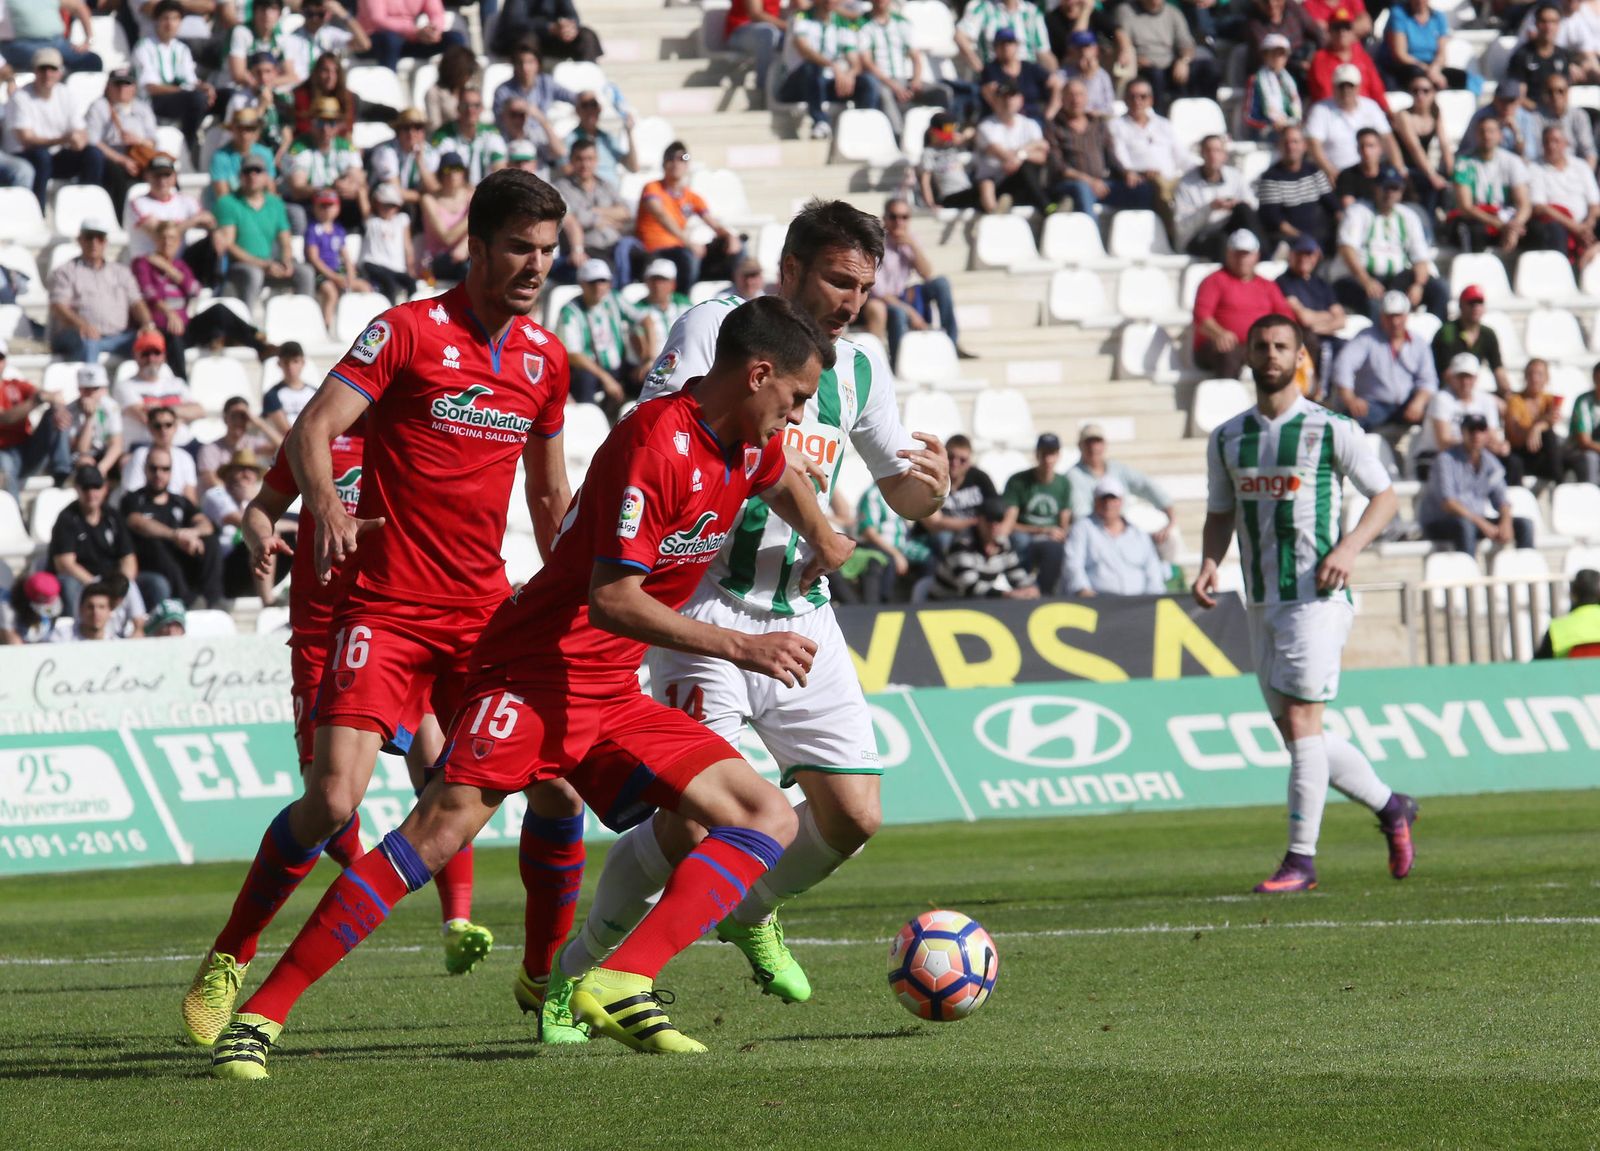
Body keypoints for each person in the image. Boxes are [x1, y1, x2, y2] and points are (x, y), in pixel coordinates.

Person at [207, 296, 843, 1074]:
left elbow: (782, 478)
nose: (799, 415)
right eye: (797, 398)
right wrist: (741, 644)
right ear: (758, 374)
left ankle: (619, 977)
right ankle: (261, 1017)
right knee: (435, 833)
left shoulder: (749, 444)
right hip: (540, 669)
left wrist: (826, 533)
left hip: (610, 685)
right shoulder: (655, 442)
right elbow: (612, 599)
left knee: (763, 816)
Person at [190, 171, 576, 1065]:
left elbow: (550, 492)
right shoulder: (406, 331)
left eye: (548, 250)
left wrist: (572, 590)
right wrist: (322, 506)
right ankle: (230, 958)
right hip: (389, 611)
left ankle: (546, 976)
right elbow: (316, 427)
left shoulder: (544, 359)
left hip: (485, 612)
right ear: (474, 246)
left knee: (557, 786)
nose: (535, 265)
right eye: (520, 246)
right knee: (333, 800)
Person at [552, 199, 949, 1025]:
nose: (849, 300)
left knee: (855, 813)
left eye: (863, 286)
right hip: (708, 609)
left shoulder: (863, 367)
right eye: (837, 279)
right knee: (691, 822)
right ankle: (578, 971)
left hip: (801, 615)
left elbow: (899, 489)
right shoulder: (717, 327)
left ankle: (748, 904)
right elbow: (661, 436)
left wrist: (930, 492)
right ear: (792, 269)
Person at [1195, 312, 1413, 894]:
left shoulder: (1332, 428)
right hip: (1261, 600)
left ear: (1299, 358)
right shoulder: (1227, 438)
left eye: (1281, 346)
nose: (1270, 354)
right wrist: (1210, 563)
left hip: (1317, 597)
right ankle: (1391, 806)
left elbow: (1386, 498)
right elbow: (1220, 513)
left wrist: (1350, 546)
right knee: (1300, 738)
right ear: (1247, 355)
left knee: (1301, 723)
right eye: (1261, 345)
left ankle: (1301, 860)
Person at [866, 197, 971, 364]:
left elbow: (927, 274)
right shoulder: (877, 244)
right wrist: (911, 312)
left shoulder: (910, 240)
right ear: (885, 218)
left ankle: (951, 343)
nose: (899, 222)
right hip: (882, 301)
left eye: (904, 217)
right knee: (899, 313)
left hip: (902, 295)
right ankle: (899, 363)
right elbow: (879, 292)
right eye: (894, 217)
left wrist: (913, 247)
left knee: (941, 283)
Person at [1335, 170, 1449, 321]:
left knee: (1439, 290)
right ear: (1375, 188)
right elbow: (1347, 249)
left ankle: (1436, 336)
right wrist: (1366, 281)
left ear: (1401, 192)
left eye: (1394, 188)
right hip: (1360, 278)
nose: (1389, 193)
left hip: (1396, 279)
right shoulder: (1358, 212)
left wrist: (1418, 285)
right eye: (1385, 188)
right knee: (1377, 304)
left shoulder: (1408, 217)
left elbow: (1421, 258)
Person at [1417, 414, 1536, 552]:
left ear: (1487, 433)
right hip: (1440, 522)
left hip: (1474, 520)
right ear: (1463, 432)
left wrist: (1506, 522)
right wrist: (1482, 523)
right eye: (1472, 430)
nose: (1476, 435)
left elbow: (1501, 499)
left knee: (1524, 524)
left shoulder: (1491, 462)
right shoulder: (1445, 460)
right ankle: (1468, 571)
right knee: (1465, 526)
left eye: (1481, 430)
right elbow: (1448, 503)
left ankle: (1524, 570)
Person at [123, 446, 224, 608]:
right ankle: (188, 601)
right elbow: (137, 522)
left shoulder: (180, 501)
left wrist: (191, 533)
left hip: (182, 557)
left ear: (171, 472)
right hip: (149, 564)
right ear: (145, 469)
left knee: (210, 542)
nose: (159, 474)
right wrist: (175, 535)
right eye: (153, 468)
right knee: (155, 544)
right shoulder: (133, 499)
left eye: (165, 469)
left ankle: (213, 599)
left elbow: (206, 524)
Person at [634, 141, 743, 286]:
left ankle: (732, 292)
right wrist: (689, 243)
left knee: (736, 246)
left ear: (688, 165)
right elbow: (661, 215)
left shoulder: (691, 197)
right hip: (655, 249)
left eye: (683, 158)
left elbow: (713, 223)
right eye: (671, 158)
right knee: (688, 255)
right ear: (664, 164)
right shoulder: (652, 188)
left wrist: (729, 236)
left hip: (682, 249)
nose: (676, 163)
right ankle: (683, 300)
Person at [4, 47, 101, 208]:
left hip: (54, 155)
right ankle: (37, 211)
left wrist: (79, 141)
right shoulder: (20, 97)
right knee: (42, 157)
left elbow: (80, 130)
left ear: (60, 72)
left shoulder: (66, 93)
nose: (48, 74)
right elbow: (26, 139)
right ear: (35, 71)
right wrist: (65, 139)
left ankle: (88, 207)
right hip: (23, 154)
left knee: (93, 154)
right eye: (43, 68)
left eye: (52, 69)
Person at [49, 219, 157, 365]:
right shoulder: (65, 271)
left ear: (105, 242)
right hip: (77, 334)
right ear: (80, 240)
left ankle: (149, 385)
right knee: (89, 341)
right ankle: (91, 386)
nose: (94, 243)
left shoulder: (121, 272)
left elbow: (137, 302)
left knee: (152, 342)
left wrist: (148, 324)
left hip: (118, 336)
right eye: (89, 237)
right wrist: (81, 325)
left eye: (99, 238)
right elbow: (58, 306)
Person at [1331, 291, 1438, 434]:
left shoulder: (1419, 343)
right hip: (1374, 404)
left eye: (1398, 316)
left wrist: (1419, 402)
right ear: (1382, 316)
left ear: (1407, 315)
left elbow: (1428, 380)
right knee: (1348, 425)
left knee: (1438, 415)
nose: (1395, 322)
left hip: (1407, 405)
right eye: (1389, 316)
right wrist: (1351, 399)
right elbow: (1343, 365)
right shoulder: (1367, 338)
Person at [216, 158, 315, 307]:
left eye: (258, 171)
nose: (252, 175)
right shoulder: (227, 202)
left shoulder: (275, 203)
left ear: (266, 177)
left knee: (305, 272)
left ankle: (304, 319)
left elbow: (285, 240)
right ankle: (246, 324)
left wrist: (286, 261)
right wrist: (262, 264)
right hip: (240, 266)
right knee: (254, 275)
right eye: (247, 171)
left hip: (270, 263)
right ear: (240, 176)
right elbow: (228, 245)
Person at [1195, 230, 1292, 380]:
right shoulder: (1214, 280)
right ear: (1228, 254)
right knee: (1228, 352)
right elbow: (1201, 316)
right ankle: (1228, 400)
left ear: (1256, 256)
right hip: (1219, 345)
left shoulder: (1267, 285)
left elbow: (1285, 315)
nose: (1242, 259)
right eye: (1237, 253)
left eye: (1246, 254)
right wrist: (1219, 333)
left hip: (1258, 345)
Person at [777, 0, 880, 141]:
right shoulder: (801, 17)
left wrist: (850, 74)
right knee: (812, 68)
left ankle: (863, 130)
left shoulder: (842, 22)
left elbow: (855, 61)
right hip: (797, 84)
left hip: (826, 84)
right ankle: (820, 122)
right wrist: (833, 66)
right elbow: (805, 50)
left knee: (867, 82)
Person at [49, 465, 138, 616]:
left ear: (105, 488)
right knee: (69, 585)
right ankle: (78, 629)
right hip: (82, 580)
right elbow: (65, 564)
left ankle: (138, 625)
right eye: (86, 487)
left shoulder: (113, 516)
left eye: (96, 487)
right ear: (77, 489)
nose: (91, 493)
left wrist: (121, 585)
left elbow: (128, 558)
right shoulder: (67, 519)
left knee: (147, 583)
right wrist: (97, 587)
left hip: (110, 579)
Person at [1065, 424, 1176, 546]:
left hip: (1125, 531)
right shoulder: (1073, 477)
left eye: (1098, 441)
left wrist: (1170, 515)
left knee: (1166, 541)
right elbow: (1081, 514)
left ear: (1105, 444)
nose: (1094, 447)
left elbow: (1145, 485)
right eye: (1089, 442)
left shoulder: (1117, 469)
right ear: (1080, 446)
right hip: (1095, 538)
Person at [557, 258, 644, 412]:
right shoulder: (570, 311)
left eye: (603, 281)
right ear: (582, 283)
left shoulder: (615, 299)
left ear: (609, 283)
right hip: (590, 371)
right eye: (592, 282)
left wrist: (648, 358)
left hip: (617, 367)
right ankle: (589, 424)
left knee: (645, 375)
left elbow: (644, 319)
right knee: (584, 379)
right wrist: (605, 378)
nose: (598, 287)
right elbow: (573, 354)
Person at [1408, 352, 1512, 480]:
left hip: (1471, 455)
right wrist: (1478, 443)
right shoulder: (1441, 399)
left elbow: (1491, 436)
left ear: (1476, 378)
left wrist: (1500, 446)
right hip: (1437, 455)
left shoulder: (1487, 400)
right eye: (1460, 377)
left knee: (1511, 463)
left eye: (1469, 377)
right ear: (1452, 378)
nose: (1465, 382)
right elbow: (1443, 442)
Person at [132, 0, 214, 158]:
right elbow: (151, 87)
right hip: (154, 102)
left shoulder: (181, 49)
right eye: (165, 18)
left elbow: (191, 80)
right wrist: (185, 90)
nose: (170, 24)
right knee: (196, 100)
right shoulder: (144, 47)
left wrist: (205, 87)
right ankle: (188, 146)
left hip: (182, 97)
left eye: (175, 19)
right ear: (156, 21)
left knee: (222, 96)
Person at [555, 138, 640, 286]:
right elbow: (574, 219)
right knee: (607, 269)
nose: (585, 164)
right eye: (579, 159)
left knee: (649, 263)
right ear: (571, 160)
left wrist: (595, 212)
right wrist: (610, 217)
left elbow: (626, 212)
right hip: (588, 249)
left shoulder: (606, 185)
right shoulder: (561, 188)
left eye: (590, 159)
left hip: (614, 246)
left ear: (596, 160)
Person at [1063, 476, 1167, 596]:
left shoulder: (1138, 534)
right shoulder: (1082, 528)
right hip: (1099, 604)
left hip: (1138, 605)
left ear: (1121, 501)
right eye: (1103, 499)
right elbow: (1073, 565)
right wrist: (1083, 589)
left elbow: (1152, 569)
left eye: (1113, 499)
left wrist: (1153, 598)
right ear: (1095, 501)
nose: (1108, 504)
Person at [1448, 115, 1532, 255]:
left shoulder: (1512, 161)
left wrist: (1514, 228)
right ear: (1476, 135)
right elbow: (1466, 207)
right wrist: (1500, 225)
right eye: (1482, 131)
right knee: (1474, 230)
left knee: (1537, 230)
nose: (1487, 136)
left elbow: (1524, 204)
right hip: (1478, 219)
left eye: (1491, 131)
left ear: (1499, 135)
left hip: (1505, 219)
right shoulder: (1464, 163)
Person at [1000, 432, 1073, 593]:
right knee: (1020, 541)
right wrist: (1043, 530)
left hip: (1051, 536)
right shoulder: (1018, 481)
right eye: (1044, 454)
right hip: (1025, 533)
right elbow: (1010, 522)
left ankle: (1046, 592)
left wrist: (1061, 534)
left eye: (1052, 454)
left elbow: (1064, 521)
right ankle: (1021, 587)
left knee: (1058, 548)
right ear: (1037, 454)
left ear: (1058, 455)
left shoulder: (1063, 484)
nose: (1048, 459)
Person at [1107, 78, 1189, 220]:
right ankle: (1172, 235)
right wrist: (1131, 171)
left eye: (1143, 97)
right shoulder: (1116, 126)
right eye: (1132, 96)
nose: (1137, 101)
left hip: (1171, 180)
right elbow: (1119, 156)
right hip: (1143, 179)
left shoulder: (1164, 125)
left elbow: (1182, 157)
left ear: (1150, 100)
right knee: (1160, 187)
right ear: (1125, 99)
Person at [1306, 64, 1403, 182]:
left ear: (1358, 87)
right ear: (1334, 87)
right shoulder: (1321, 110)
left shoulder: (1371, 106)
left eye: (1350, 86)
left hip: (1372, 175)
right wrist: (1330, 171)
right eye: (1341, 86)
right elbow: (1314, 145)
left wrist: (1399, 168)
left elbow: (1387, 139)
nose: (1346, 91)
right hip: (1336, 176)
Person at [930, 495, 1040, 599]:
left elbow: (1016, 575)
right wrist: (1008, 594)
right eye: (989, 519)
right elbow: (969, 587)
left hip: (976, 605)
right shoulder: (962, 544)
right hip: (944, 604)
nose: (994, 525)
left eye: (999, 519)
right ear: (979, 520)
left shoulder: (1003, 544)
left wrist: (1029, 589)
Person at [285, 95, 368, 232]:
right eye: (320, 122)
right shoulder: (299, 147)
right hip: (309, 202)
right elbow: (298, 188)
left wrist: (348, 185)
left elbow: (357, 179)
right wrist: (327, 189)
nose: (326, 129)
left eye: (332, 123)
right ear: (311, 123)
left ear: (338, 125)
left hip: (337, 202)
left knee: (359, 200)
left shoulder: (346, 147)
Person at [85, 68, 161, 214]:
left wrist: (138, 140)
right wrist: (122, 160)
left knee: (164, 169)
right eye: (117, 84)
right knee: (117, 174)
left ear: (134, 87)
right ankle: (121, 218)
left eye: (126, 84)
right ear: (108, 86)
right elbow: (93, 140)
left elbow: (153, 140)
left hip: (140, 155)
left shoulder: (142, 108)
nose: (122, 89)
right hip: (111, 157)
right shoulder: (98, 107)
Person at [1174, 137, 1264, 261]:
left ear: (1225, 155)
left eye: (1217, 151)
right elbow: (1182, 226)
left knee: (1243, 210)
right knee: (1223, 242)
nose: (1213, 155)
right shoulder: (1186, 183)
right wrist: (1210, 208)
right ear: (1201, 154)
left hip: (1228, 228)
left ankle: (1264, 258)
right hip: (1199, 236)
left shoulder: (1235, 176)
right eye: (1208, 150)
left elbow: (1252, 206)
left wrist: (1235, 204)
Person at [1117, 0, 1212, 112]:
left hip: (1170, 64)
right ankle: (1158, 117)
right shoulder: (1126, 11)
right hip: (1143, 67)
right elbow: (1122, 39)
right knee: (1156, 75)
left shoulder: (1173, 13)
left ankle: (1207, 114)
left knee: (1208, 68)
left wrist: (1183, 61)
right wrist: (1134, 58)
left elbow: (1186, 44)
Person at [1275, 234, 1347, 384]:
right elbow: (1304, 318)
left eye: (1309, 254)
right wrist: (1328, 316)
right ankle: (1317, 392)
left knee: (1347, 347)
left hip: (1322, 333)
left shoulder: (1321, 284)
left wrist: (1319, 325)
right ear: (1292, 255)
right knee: (1322, 348)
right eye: (1300, 253)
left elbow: (1341, 319)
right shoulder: (1284, 282)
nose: (1304, 258)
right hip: (1302, 337)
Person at [1258, 124, 1341, 252]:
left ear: (1304, 146)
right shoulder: (1270, 178)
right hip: (1291, 242)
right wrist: (1304, 239)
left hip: (1321, 237)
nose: (1291, 147)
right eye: (1286, 142)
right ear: (1279, 146)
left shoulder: (1315, 172)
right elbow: (1275, 220)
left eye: (1295, 142)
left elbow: (1333, 206)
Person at [973, 81, 1052, 214]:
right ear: (995, 100)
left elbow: (1042, 157)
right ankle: (1048, 208)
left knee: (1027, 168)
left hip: (1024, 183)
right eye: (1003, 96)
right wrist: (1033, 147)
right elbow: (1004, 157)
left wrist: (1021, 154)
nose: (1008, 100)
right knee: (1023, 168)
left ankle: (1048, 206)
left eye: (1012, 96)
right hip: (998, 183)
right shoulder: (986, 127)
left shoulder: (1030, 124)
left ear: (1020, 100)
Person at [1047, 78, 1123, 215]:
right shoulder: (1054, 127)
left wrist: (1128, 174)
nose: (1076, 99)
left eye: (1080, 95)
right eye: (1070, 95)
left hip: (1101, 184)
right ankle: (1091, 235)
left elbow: (1111, 157)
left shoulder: (1098, 124)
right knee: (1082, 189)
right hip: (1069, 185)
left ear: (1086, 98)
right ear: (1062, 99)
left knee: (1141, 190)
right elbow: (1058, 166)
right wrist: (1089, 181)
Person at [115, 330, 204, 444]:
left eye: (156, 353)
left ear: (164, 356)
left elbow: (199, 411)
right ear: (136, 356)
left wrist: (164, 409)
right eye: (145, 353)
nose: (151, 359)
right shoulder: (125, 386)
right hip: (146, 446)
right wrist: (181, 412)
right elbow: (145, 417)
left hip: (184, 443)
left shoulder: (177, 383)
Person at [1530, 124, 1600, 268]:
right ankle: (1564, 271)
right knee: (1554, 230)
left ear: (1565, 143)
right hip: (1558, 222)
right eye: (1547, 142)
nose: (1551, 146)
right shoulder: (1535, 168)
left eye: (1556, 141)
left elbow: (1594, 203)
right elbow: (1540, 207)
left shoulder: (1581, 166)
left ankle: (1592, 253)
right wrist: (1576, 227)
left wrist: (1588, 224)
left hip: (1584, 223)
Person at [0, 347, 69, 493]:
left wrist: (57, 407)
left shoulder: (14, 385)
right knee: (4, 469)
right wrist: (35, 401)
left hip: (26, 448)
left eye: (0, 358)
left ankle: (62, 471)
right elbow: (4, 418)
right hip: (3, 451)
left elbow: (50, 395)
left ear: (5, 362)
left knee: (55, 415)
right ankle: (14, 512)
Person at [916, 434, 998, 555]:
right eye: (950, 457)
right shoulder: (929, 478)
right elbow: (935, 524)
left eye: (962, 460)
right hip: (939, 537)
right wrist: (975, 522)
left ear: (970, 461)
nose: (955, 463)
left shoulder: (980, 478)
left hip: (973, 533)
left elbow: (995, 509)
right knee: (943, 538)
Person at [305, 189, 372, 333]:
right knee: (331, 293)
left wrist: (350, 275)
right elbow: (314, 258)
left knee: (364, 287)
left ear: (337, 208)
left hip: (337, 271)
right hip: (321, 273)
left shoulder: (338, 229)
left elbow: (346, 256)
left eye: (330, 205)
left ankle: (359, 326)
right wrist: (335, 277)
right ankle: (326, 328)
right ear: (315, 208)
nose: (327, 210)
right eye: (322, 206)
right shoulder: (312, 229)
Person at [1431, 284, 1511, 397]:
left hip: (1472, 389)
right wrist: (1478, 398)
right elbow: (1446, 374)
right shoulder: (1447, 332)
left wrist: (1508, 394)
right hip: (1447, 391)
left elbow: (1498, 368)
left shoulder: (1488, 334)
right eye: (1471, 303)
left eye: (1479, 303)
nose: (1476, 307)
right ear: (1461, 305)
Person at [1393, 75, 1454, 221]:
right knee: (1431, 184)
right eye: (1415, 91)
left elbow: (1444, 144)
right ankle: (1428, 226)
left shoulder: (1435, 113)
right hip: (1404, 167)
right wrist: (1432, 175)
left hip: (1422, 167)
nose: (1420, 95)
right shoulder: (1404, 115)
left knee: (1450, 183)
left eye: (1425, 91)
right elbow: (1415, 148)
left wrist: (1453, 173)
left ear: (1433, 93)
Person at [1305, 7, 1390, 108]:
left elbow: (1377, 90)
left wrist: (1387, 112)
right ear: (1329, 31)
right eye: (1337, 27)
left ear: (1352, 31)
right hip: (1333, 113)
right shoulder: (1320, 59)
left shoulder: (1363, 57)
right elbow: (1325, 93)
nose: (1342, 32)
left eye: (1346, 27)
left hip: (1366, 112)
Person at [357, 0, 468, 73]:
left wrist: (434, 30)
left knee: (455, 39)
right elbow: (377, 20)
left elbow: (436, 13)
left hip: (409, 39)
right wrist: (414, 31)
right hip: (370, 42)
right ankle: (389, 92)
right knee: (391, 40)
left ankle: (455, 89)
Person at [980, 27, 1062, 124]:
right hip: (1006, 121)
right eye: (1001, 43)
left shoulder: (1030, 67)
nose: (1006, 47)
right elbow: (989, 92)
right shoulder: (991, 69)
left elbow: (1056, 83)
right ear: (995, 47)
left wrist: (1050, 113)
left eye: (1010, 43)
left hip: (1036, 118)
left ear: (1016, 45)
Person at [197, 395, 279, 491]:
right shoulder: (210, 449)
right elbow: (211, 481)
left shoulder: (253, 443)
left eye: (243, 416)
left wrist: (259, 423)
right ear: (225, 418)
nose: (238, 421)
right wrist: (239, 495)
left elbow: (283, 449)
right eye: (234, 416)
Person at [431, 85, 507, 186]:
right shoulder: (443, 135)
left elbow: (500, 169)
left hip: (487, 194)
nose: (470, 110)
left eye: (476, 105)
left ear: (482, 109)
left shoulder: (492, 134)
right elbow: (433, 174)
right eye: (465, 105)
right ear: (458, 108)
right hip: (453, 196)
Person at [1505, 357, 1567, 481]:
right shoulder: (1515, 401)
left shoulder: (1549, 399)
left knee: (1551, 438)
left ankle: (1560, 481)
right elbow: (1515, 434)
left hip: (1543, 454)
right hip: (1522, 452)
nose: (1534, 378)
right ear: (1525, 377)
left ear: (1546, 378)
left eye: (1539, 374)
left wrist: (1537, 427)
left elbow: (1553, 419)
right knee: (1548, 436)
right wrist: (1536, 427)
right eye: (1530, 374)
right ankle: (1559, 480)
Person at [0, 0, 102, 73]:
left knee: (93, 61)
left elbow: (79, 7)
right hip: (20, 45)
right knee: (47, 63)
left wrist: (89, 40)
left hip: (57, 43)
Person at [283, 0, 372, 82]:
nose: (315, 19)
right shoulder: (292, 38)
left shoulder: (330, 34)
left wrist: (343, 14)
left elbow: (364, 44)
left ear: (327, 15)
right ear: (303, 12)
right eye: (310, 14)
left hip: (326, 86)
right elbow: (291, 74)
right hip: (303, 87)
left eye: (320, 14)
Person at [957, 0, 1056, 73]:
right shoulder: (982, 7)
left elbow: (1044, 51)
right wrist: (981, 70)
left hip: (1026, 75)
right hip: (995, 73)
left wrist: (1055, 76)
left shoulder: (1032, 13)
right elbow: (960, 37)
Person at [62, 365, 125, 480]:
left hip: (105, 455)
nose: (91, 393)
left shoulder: (111, 407)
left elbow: (116, 445)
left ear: (104, 389)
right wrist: (89, 419)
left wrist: (101, 469)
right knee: (85, 462)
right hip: (82, 458)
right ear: (79, 389)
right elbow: (82, 451)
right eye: (86, 389)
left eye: (95, 388)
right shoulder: (70, 411)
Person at [125, 407, 200, 501]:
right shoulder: (140, 455)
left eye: (168, 425)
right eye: (157, 426)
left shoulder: (185, 458)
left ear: (175, 427)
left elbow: (190, 496)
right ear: (149, 427)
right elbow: (132, 493)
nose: (163, 430)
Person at [368, 108, 439, 207]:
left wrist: (420, 162)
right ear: (398, 131)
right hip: (384, 205)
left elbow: (433, 188)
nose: (411, 133)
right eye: (406, 128)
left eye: (417, 127)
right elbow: (394, 191)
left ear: (424, 131)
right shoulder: (385, 151)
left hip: (418, 204)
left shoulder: (431, 153)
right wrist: (424, 197)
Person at [421, 151, 474, 281]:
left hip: (466, 256)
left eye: (457, 169)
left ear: (464, 172)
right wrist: (473, 216)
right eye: (447, 169)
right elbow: (446, 237)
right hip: (438, 260)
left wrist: (464, 246)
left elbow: (484, 228)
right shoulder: (429, 200)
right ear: (440, 174)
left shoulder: (472, 195)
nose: (452, 174)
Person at [491, 0, 603, 62]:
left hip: (551, 42)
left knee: (587, 36)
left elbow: (572, 16)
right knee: (527, 39)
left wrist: (568, 28)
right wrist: (549, 28)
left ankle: (588, 90)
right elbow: (515, 23)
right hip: (518, 43)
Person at [360, 183, 418, 302]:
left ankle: (412, 312)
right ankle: (389, 315)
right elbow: (364, 203)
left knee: (412, 284)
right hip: (374, 264)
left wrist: (411, 267)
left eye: (393, 205)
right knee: (389, 284)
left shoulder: (402, 220)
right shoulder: (372, 221)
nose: (389, 209)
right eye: (385, 205)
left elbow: (407, 245)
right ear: (377, 204)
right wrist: (362, 191)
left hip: (396, 268)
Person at [565, 91, 636, 187]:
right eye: (585, 105)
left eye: (593, 105)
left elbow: (633, 168)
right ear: (577, 110)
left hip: (613, 195)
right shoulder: (570, 140)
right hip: (587, 196)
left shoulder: (608, 138)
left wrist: (629, 132)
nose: (590, 110)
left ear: (599, 109)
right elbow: (567, 171)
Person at [209, 109, 279, 206]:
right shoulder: (220, 157)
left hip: (260, 208)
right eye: (240, 128)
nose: (244, 134)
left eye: (250, 128)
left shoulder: (265, 153)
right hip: (232, 210)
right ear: (232, 129)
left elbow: (270, 190)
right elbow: (223, 198)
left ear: (257, 131)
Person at [1242, 33, 1304, 143]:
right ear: (1265, 55)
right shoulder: (1256, 80)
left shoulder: (1289, 81)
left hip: (1289, 129)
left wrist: (1293, 123)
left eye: (1282, 54)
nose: (1278, 58)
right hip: (1267, 132)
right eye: (1274, 53)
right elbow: (1249, 117)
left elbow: (1295, 112)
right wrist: (1270, 124)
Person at [1508, 1, 1578, 95]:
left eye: (1553, 22)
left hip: (1556, 108)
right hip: (1529, 108)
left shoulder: (1563, 55)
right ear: (1536, 24)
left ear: (1558, 25)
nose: (1548, 27)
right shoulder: (1522, 56)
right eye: (1544, 21)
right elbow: (1519, 96)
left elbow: (1564, 91)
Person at [1383, 0, 1458, 89]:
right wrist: (1427, 70)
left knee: (1458, 77)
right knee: (1419, 77)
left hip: (1432, 66)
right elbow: (1400, 55)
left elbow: (1442, 54)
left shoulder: (1438, 17)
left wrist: (1435, 69)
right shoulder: (1399, 14)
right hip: (1408, 66)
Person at [1531, 73, 1597, 170]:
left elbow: (1589, 152)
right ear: (1544, 95)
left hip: (1575, 169)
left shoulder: (1579, 116)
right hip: (1545, 168)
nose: (1555, 96)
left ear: (1567, 93)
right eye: (1550, 92)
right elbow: (1534, 151)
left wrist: (1585, 176)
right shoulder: (1535, 117)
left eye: (1560, 91)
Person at [723, 0, 786, 100]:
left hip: (773, 31)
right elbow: (756, 14)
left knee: (801, 35)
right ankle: (764, 91)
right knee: (767, 34)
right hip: (741, 32)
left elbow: (802, 5)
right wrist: (789, 26)